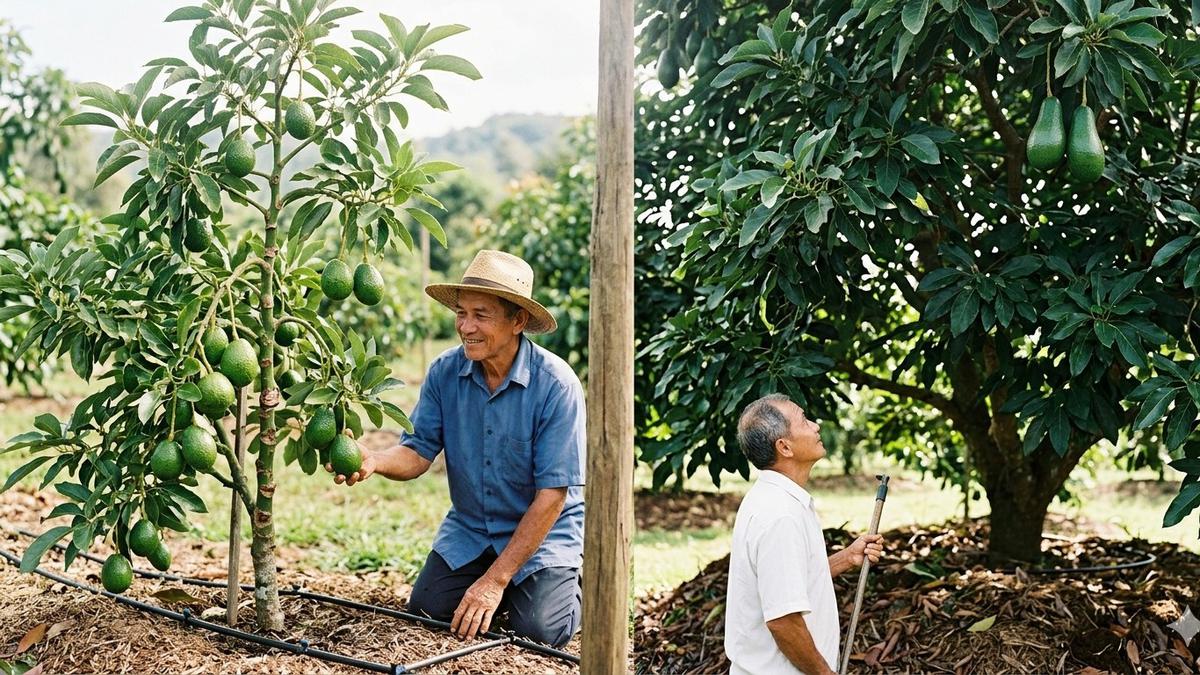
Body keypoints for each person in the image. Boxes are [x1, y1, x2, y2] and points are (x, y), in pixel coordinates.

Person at [328, 250, 586, 648]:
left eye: (481, 315)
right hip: (473, 531)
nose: (465, 326)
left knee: (538, 632)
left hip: (543, 535)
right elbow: (417, 452)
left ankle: (565, 582)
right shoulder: (446, 371)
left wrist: (495, 581)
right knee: (427, 611)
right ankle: (507, 589)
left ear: (518, 321)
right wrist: (374, 460)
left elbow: (552, 497)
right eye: (461, 314)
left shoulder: (556, 385)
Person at [724, 393, 885, 675]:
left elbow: (788, 583)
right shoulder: (780, 515)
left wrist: (847, 557)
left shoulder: (774, 499)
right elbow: (783, 621)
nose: (815, 426)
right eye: (804, 420)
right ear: (784, 447)